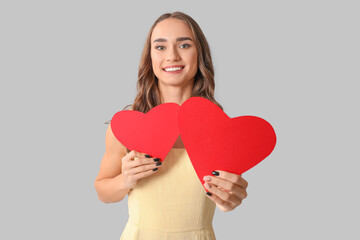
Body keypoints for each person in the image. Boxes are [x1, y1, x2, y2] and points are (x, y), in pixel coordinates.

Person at [94, 11, 249, 240]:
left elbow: (228, 194)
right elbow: (102, 191)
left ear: (200, 55)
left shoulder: (219, 129)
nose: (172, 56)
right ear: (150, 58)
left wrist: (231, 199)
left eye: (184, 45)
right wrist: (125, 179)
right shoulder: (128, 126)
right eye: (160, 47)